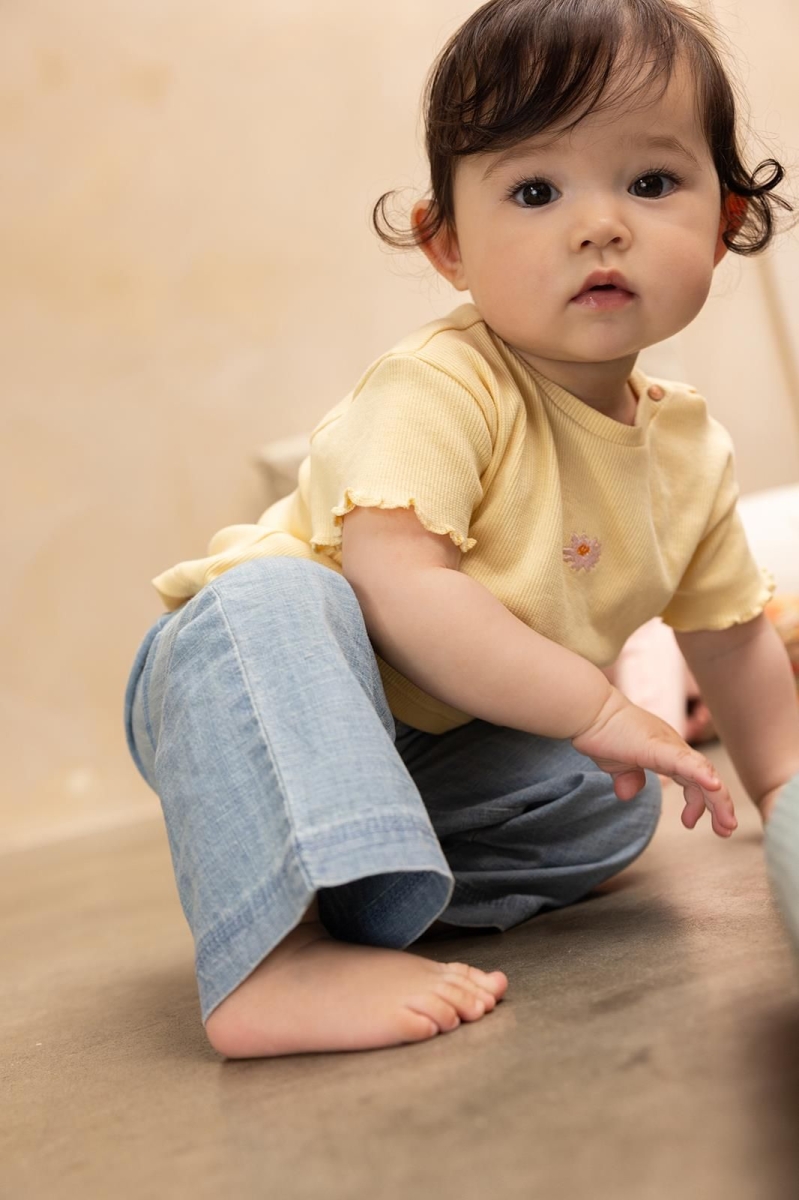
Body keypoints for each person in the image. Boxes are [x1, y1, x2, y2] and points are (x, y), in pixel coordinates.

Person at [124, 0, 799, 1060]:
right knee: (276, 595)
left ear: (725, 222)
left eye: (650, 182)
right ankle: (274, 961)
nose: (599, 225)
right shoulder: (440, 387)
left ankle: (368, 891)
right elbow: (401, 587)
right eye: (535, 192)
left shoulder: (686, 450)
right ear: (447, 246)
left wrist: (783, 798)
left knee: (610, 799)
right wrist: (596, 704)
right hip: (253, 691)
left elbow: (730, 638)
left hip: (444, 750)